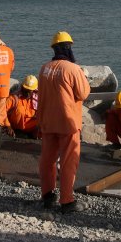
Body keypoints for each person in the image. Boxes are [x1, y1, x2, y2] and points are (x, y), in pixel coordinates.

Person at [37, 31, 91, 213]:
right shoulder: (72, 69)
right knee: (68, 161)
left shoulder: (44, 68)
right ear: (69, 48)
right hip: (67, 123)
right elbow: (83, 93)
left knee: (47, 159)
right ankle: (67, 201)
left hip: (47, 121)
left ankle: (47, 196)